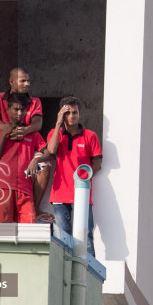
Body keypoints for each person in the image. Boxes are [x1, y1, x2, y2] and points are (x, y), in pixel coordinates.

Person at [34, 96, 102, 241]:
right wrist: (58, 123)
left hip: (82, 193)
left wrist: (83, 180)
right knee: (63, 238)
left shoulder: (90, 136)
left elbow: (97, 164)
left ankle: (86, 265)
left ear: (80, 114)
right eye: (67, 113)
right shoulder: (55, 133)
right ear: (61, 114)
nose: (71, 116)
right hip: (60, 195)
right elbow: (51, 151)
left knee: (86, 236)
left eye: (74, 112)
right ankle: (64, 265)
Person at [0, 67, 47, 206]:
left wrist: (24, 131)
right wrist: (8, 130)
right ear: (11, 82)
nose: (27, 84)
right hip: (5, 147)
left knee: (44, 166)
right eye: (23, 81)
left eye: (28, 81)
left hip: (28, 147)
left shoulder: (35, 101)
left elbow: (37, 124)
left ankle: (35, 207)